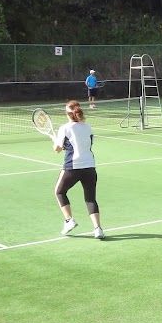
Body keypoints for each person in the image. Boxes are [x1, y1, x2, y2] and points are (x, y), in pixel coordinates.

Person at [53, 100, 104, 239]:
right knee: (90, 199)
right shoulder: (88, 127)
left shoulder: (64, 128)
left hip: (73, 166)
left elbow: (57, 149)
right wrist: (63, 144)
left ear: (68, 114)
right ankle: (98, 229)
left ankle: (69, 220)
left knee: (59, 192)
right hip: (90, 167)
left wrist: (57, 144)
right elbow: (85, 143)